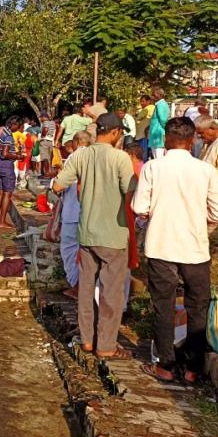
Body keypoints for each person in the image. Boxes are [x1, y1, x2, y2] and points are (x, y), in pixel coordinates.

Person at [132, 117, 218, 382]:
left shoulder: (153, 167)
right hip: (195, 246)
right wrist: (200, 223)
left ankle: (165, 364)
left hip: (161, 243)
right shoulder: (205, 170)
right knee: (197, 306)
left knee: (163, 305)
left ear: (166, 139)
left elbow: (139, 207)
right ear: (192, 140)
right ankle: (193, 368)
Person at [53, 113, 135, 360]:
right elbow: (130, 191)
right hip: (114, 233)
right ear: (116, 133)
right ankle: (106, 345)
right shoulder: (120, 158)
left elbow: (58, 185)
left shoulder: (81, 155)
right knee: (111, 291)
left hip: (86, 233)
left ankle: (87, 340)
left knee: (86, 288)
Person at [58, 130, 91, 299]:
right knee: (83, 251)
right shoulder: (94, 157)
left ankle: (76, 286)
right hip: (89, 212)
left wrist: (54, 183)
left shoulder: (75, 157)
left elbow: (60, 184)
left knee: (69, 249)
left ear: (77, 143)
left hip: (73, 210)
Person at [0, 116, 24, 228]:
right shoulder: (8, 136)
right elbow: (5, 154)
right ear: (14, 124)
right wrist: (18, 156)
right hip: (5, 166)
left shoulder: (1, 131)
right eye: (18, 126)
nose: (18, 128)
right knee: (7, 193)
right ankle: (1, 222)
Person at [148, 88, 170, 159]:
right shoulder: (159, 104)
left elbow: (163, 120)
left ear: (160, 95)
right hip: (156, 134)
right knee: (156, 157)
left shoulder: (160, 104)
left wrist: (165, 131)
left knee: (158, 158)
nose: (152, 97)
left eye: (153, 95)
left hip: (158, 135)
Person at [135, 95, 154, 160]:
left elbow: (138, 118)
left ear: (148, 101)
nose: (141, 103)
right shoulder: (153, 108)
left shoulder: (147, 108)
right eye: (141, 102)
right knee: (148, 152)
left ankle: (143, 166)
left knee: (143, 152)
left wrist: (138, 121)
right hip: (148, 133)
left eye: (143, 101)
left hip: (143, 134)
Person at [38, 113, 56, 178]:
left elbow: (45, 129)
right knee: (49, 158)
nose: (40, 119)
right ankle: (49, 172)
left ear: (44, 117)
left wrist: (42, 135)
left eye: (40, 118)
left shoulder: (45, 122)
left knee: (44, 157)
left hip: (44, 141)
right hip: (50, 141)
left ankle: (46, 173)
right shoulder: (53, 123)